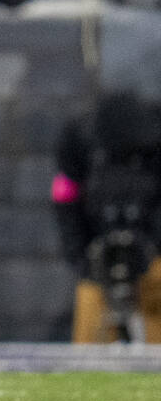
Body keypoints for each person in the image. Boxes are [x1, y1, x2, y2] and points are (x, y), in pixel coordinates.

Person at [52, 90, 161, 342]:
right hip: (96, 259)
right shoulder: (79, 141)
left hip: (154, 259)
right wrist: (83, 257)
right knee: (90, 340)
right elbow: (65, 197)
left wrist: (152, 244)